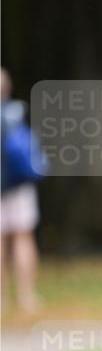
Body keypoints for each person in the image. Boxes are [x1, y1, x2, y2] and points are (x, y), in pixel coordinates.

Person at [0, 67, 45, 314]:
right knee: (23, 237)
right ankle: (27, 296)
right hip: (20, 184)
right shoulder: (17, 112)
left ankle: (2, 298)